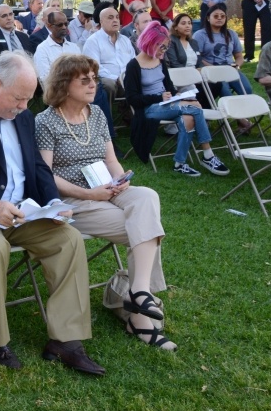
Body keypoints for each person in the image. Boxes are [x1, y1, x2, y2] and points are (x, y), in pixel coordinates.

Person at [0, 51, 104, 374]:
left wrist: (55, 204)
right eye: (19, 99)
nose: (25, 107)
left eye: (28, 99)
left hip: (22, 212)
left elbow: (38, 167)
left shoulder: (23, 116)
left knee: (68, 239)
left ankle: (66, 340)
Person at [35, 54, 174, 350]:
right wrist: (89, 194)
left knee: (147, 197)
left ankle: (137, 293)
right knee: (145, 230)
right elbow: (45, 175)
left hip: (108, 189)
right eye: (84, 80)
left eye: (94, 79)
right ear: (63, 84)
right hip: (74, 199)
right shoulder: (46, 120)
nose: (92, 85)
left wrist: (121, 181)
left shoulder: (96, 113)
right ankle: (139, 319)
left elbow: (111, 159)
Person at [125, 22, 229, 177]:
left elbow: (169, 87)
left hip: (168, 104)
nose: (164, 51)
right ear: (150, 43)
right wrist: (159, 97)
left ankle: (179, 163)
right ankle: (208, 155)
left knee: (188, 118)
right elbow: (132, 98)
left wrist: (178, 96)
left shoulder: (159, 61)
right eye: (161, 47)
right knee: (194, 108)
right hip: (149, 109)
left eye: (166, 47)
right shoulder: (134, 65)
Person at [193, 3, 253, 97]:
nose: (219, 18)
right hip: (211, 71)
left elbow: (239, 56)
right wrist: (212, 68)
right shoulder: (200, 35)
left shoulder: (231, 34)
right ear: (208, 18)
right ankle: (228, 111)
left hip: (230, 69)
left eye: (222, 16)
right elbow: (197, 57)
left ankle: (242, 110)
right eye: (216, 16)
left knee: (247, 90)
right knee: (226, 93)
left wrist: (236, 66)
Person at [83, 5, 135, 101]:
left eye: (117, 17)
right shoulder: (93, 41)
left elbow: (134, 62)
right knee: (108, 85)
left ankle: (141, 114)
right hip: (108, 80)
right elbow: (94, 68)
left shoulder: (125, 40)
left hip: (128, 80)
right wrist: (116, 79)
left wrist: (130, 77)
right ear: (101, 22)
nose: (115, 20)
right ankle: (106, 116)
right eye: (110, 18)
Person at [0, 3, 32, 73]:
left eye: (10, 14)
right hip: (6, 77)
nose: (9, 18)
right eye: (4, 16)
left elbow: (31, 58)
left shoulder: (23, 36)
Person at [34, 10, 81, 82]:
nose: (64, 27)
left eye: (66, 24)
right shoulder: (42, 49)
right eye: (60, 25)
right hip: (56, 90)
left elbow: (81, 71)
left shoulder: (74, 47)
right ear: (49, 26)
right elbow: (44, 78)